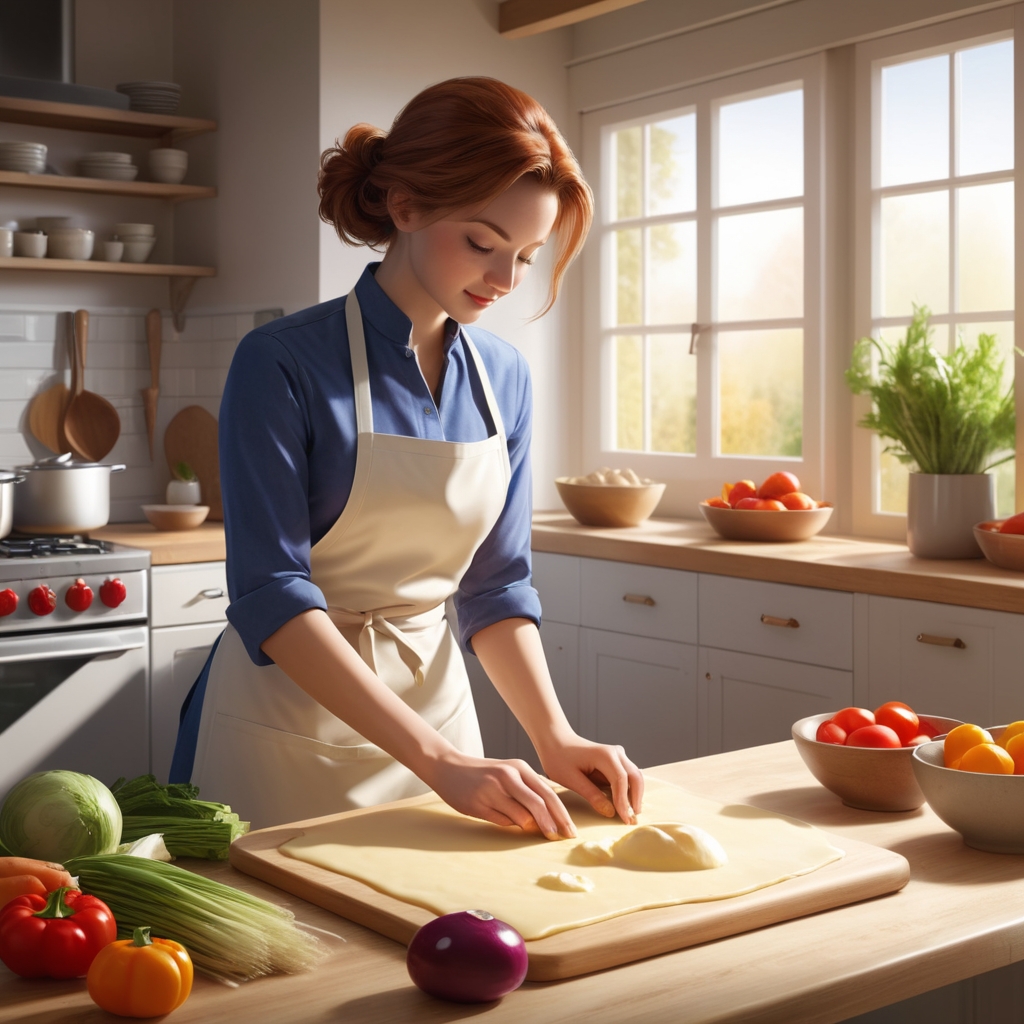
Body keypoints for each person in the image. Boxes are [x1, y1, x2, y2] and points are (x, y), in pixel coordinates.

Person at [170, 76, 644, 837]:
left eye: (526, 256)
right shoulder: (281, 363)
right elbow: (272, 594)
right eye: (483, 244)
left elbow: (497, 587)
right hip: (285, 730)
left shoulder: (505, 379)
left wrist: (554, 737)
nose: (504, 281)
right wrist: (437, 761)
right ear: (405, 206)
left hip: (443, 724)